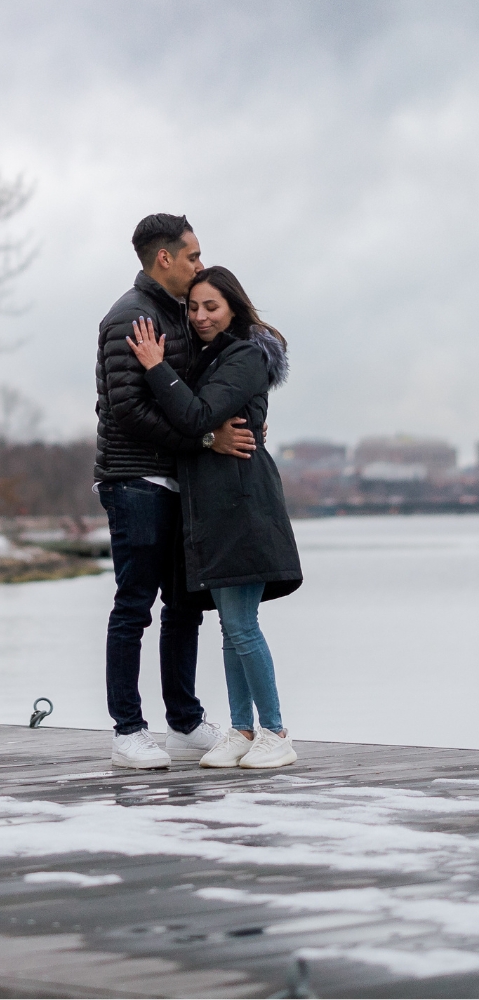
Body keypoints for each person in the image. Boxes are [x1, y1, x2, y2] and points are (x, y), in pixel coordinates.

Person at [95, 215, 258, 770]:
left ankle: (184, 722)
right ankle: (127, 731)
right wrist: (204, 439)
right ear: (164, 258)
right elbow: (128, 411)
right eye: (192, 255)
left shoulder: (179, 315)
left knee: (185, 606)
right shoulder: (130, 317)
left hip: (180, 480)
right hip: (135, 479)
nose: (199, 263)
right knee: (134, 605)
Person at [126, 266, 303, 769]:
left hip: (243, 503)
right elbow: (202, 423)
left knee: (242, 625)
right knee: (231, 626)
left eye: (212, 307)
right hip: (213, 505)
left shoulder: (245, 354)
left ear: (234, 309)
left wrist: (158, 368)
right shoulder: (213, 357)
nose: (201, 317)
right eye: (195, 307)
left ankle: (276, 731)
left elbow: (199, 416)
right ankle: (242, 729)